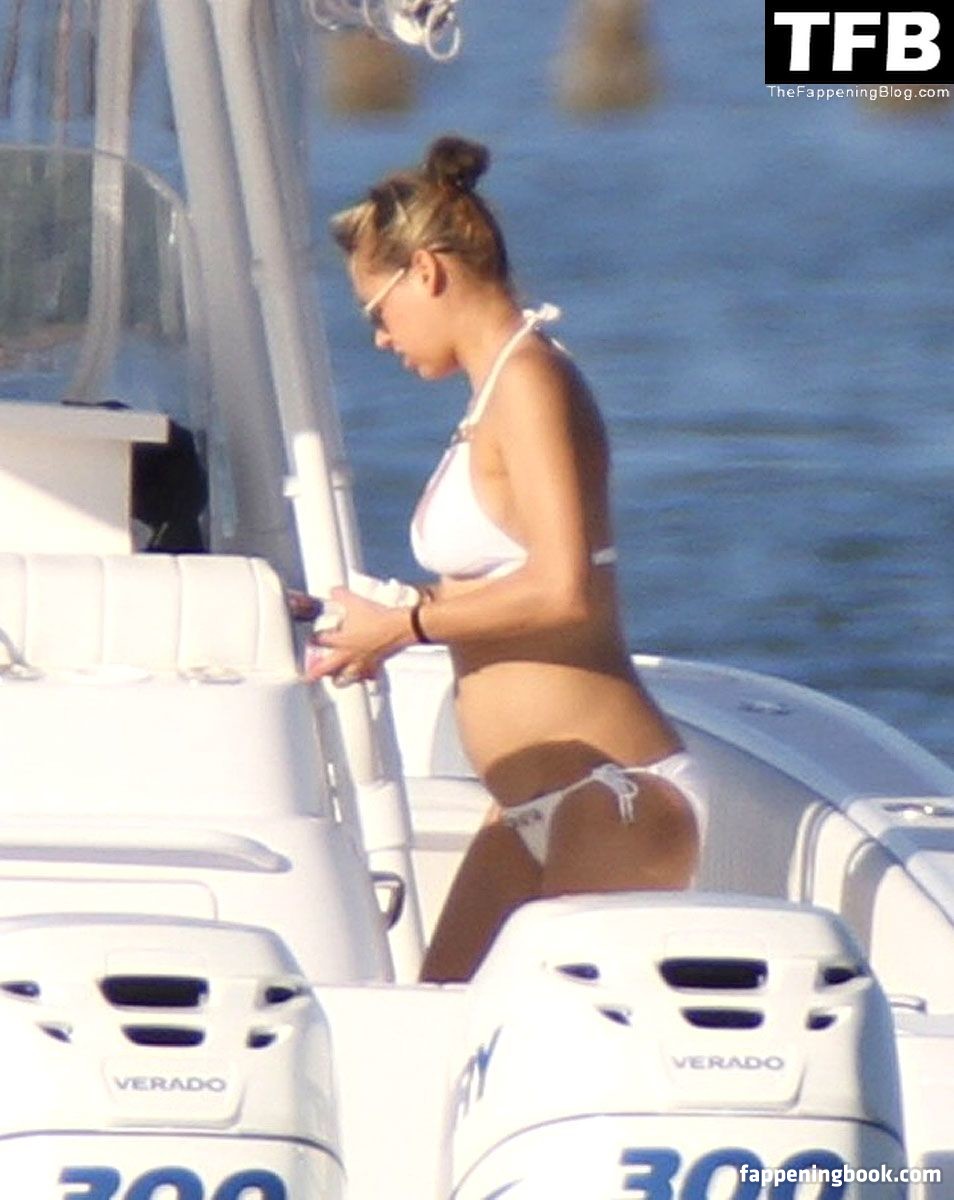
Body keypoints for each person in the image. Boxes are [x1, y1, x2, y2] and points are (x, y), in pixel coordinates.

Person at [309, 134, 707, 982]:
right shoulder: (496, 393)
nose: (378, 337)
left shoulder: (530, 382)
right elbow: (502, 578)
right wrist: (385, 615)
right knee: (437, 1023)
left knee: (542, 1042)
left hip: (611, 796)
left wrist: (408, 627)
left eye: (376, 310)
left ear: (426, 272)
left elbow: (564, 590)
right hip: (532, 804)